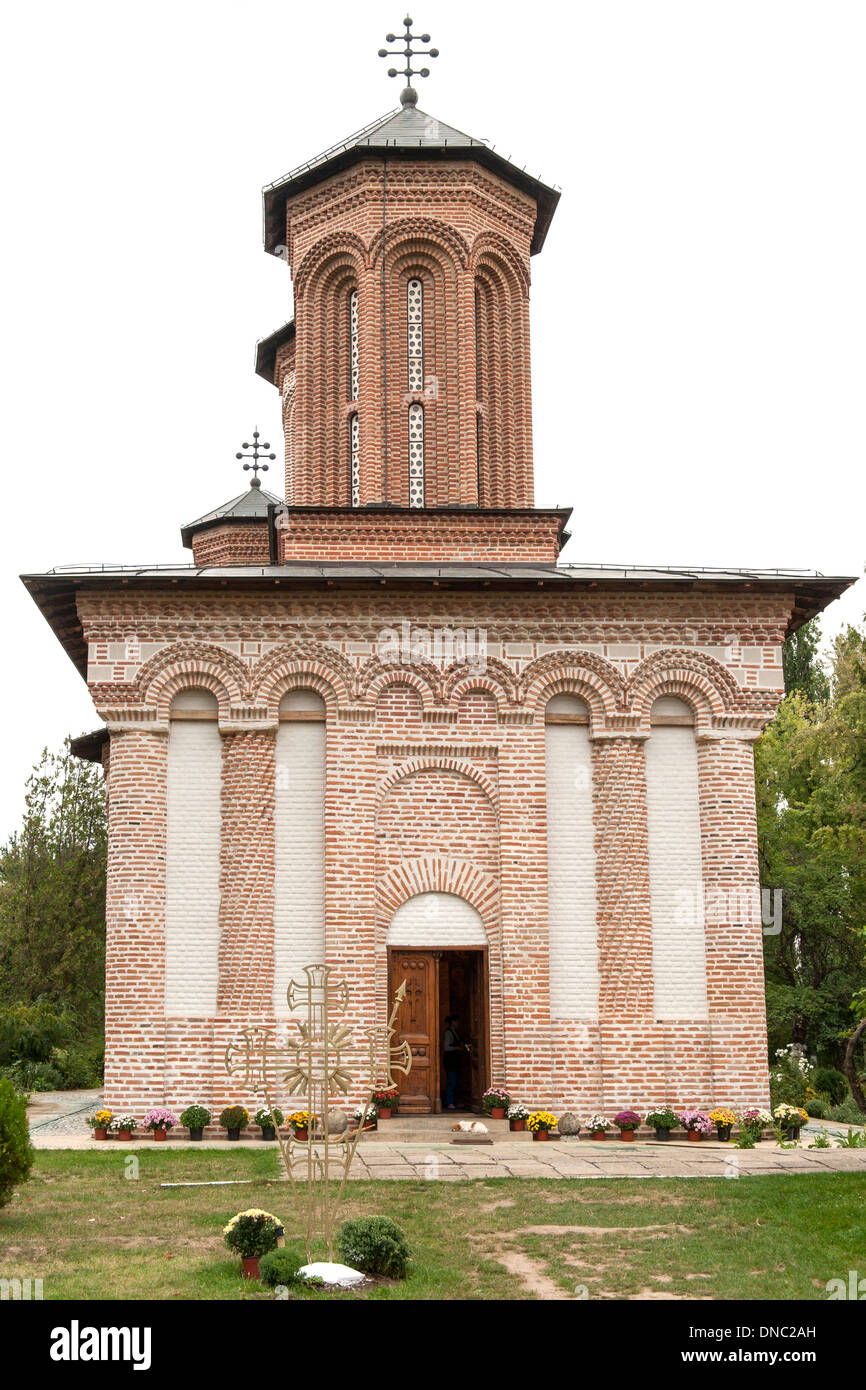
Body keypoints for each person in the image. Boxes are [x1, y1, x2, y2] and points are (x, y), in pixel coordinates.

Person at [443, 1015, 466, 1111]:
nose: (458, 1024)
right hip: (450, 1061)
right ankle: (449, 1102)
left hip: (455, 1061)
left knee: (456, 1081)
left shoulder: (455, 1032)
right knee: (451, 1082)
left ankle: (454, 1102)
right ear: (453, 1022)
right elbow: (446, 1047)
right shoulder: (448, 1033)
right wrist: (457, 1048)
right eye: (457, 1021)